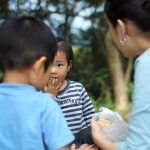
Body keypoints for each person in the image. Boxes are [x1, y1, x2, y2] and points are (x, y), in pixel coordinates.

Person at [0, 16, 97, 150]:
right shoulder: (44, 103)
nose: (52, 71)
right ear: (39, 65)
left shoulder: (76, 89)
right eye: (48, 65)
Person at [90, 0, 150, 150]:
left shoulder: (146, 62)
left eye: (109, 27)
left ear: (123, 28)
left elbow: (138, 148)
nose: (110, 33)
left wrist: (100, 138)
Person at [43, 37, 96, 147]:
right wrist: (50, 95)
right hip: (59, 143)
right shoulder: (39, 93)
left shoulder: (78, 88)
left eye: (59, 65)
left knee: (98, 131)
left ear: (69, 66)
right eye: (48, 65)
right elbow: (44, 123)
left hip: (80, 136)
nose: (53, 71)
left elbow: (90, 117)